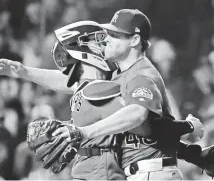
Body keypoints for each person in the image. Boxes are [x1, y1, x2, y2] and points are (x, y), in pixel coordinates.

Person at [0, 18, 203, 180]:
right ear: (84, 49)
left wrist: (25, 72)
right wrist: (188, 129)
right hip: (103, 174)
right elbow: (146, 129)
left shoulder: (84, 89)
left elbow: (67, 82)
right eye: (99, 40)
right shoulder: (99, 90)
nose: (105, 44)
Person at [52, 9, 204, 180]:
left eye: (115, 35)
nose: (106, 39)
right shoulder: (119, 75)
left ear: (135, 40)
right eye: (108, 33)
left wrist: (84, 131)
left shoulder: (142, 75)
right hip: (141, 172)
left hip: (154, 173)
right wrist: (23, 72)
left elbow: (138, 116)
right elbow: (69, 83)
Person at [0, 21, 125, 180]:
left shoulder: (100, 89)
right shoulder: (89, 87)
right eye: (99, 40)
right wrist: (25, 72)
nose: (105, 44)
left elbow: (133, 126)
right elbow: (65, 81)